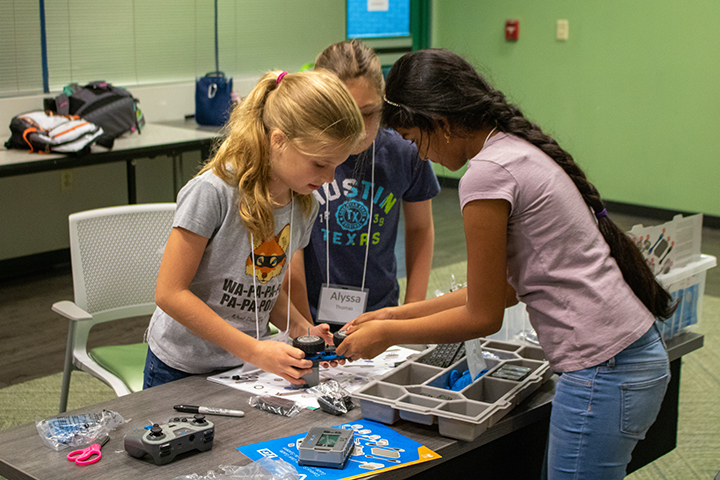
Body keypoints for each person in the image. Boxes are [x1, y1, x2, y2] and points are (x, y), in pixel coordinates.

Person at [336, 49, 675, 479]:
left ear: (438, 121)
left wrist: (388, 333)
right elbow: (504, 288)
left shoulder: (487, 174)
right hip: (627, 358)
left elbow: (484, 315)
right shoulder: (513, 148)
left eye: (415, 140)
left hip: (602, 370)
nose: (420, 156)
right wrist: (395, 312)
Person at [143, 69, 365, 388]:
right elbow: (169, 293)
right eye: (320, 163)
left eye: (337, 165)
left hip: (242, 366)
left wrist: (303, 329)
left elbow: (263, 288)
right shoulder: (213, 191)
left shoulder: (303, 203)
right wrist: (255, 350)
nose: (330, 178)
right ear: (278, 140)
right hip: (182, 366)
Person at [287, 40, 440, 328]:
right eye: (342, 115)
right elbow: (290, 247)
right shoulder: (301, 155)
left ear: (383, 100)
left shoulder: (405, 150)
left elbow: (421, 228)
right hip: (309, 315)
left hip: (381, 314)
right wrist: (304, 328)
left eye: (368, 113)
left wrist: (410, 312)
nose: (357, 128)